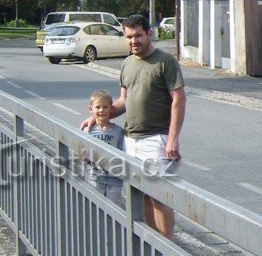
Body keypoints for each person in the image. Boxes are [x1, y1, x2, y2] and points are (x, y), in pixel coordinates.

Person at [80, 14, 186, 240]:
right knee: (141, 194)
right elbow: (123, 102)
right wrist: (97, 119)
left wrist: (173, 138)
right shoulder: (128, 63)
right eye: (128, 36)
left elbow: (179, 99)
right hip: (130, 140)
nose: (133, 41)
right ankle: (152, 244)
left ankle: (167, 247)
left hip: (156, 138)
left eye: (138, 35)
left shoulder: (165, 61)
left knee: (159, 196)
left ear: (149, 34)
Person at [84, 90, 125, 204]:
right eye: (98, 107)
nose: (101, 110)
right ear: (91, 109)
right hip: (93, 178)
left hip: (114, 180)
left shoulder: (119, 132)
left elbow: (123, 154)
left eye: (105, 107)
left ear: (112, 108)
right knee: (94, 209)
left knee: (115, 211)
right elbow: (81, 155)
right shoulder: (87, 131)